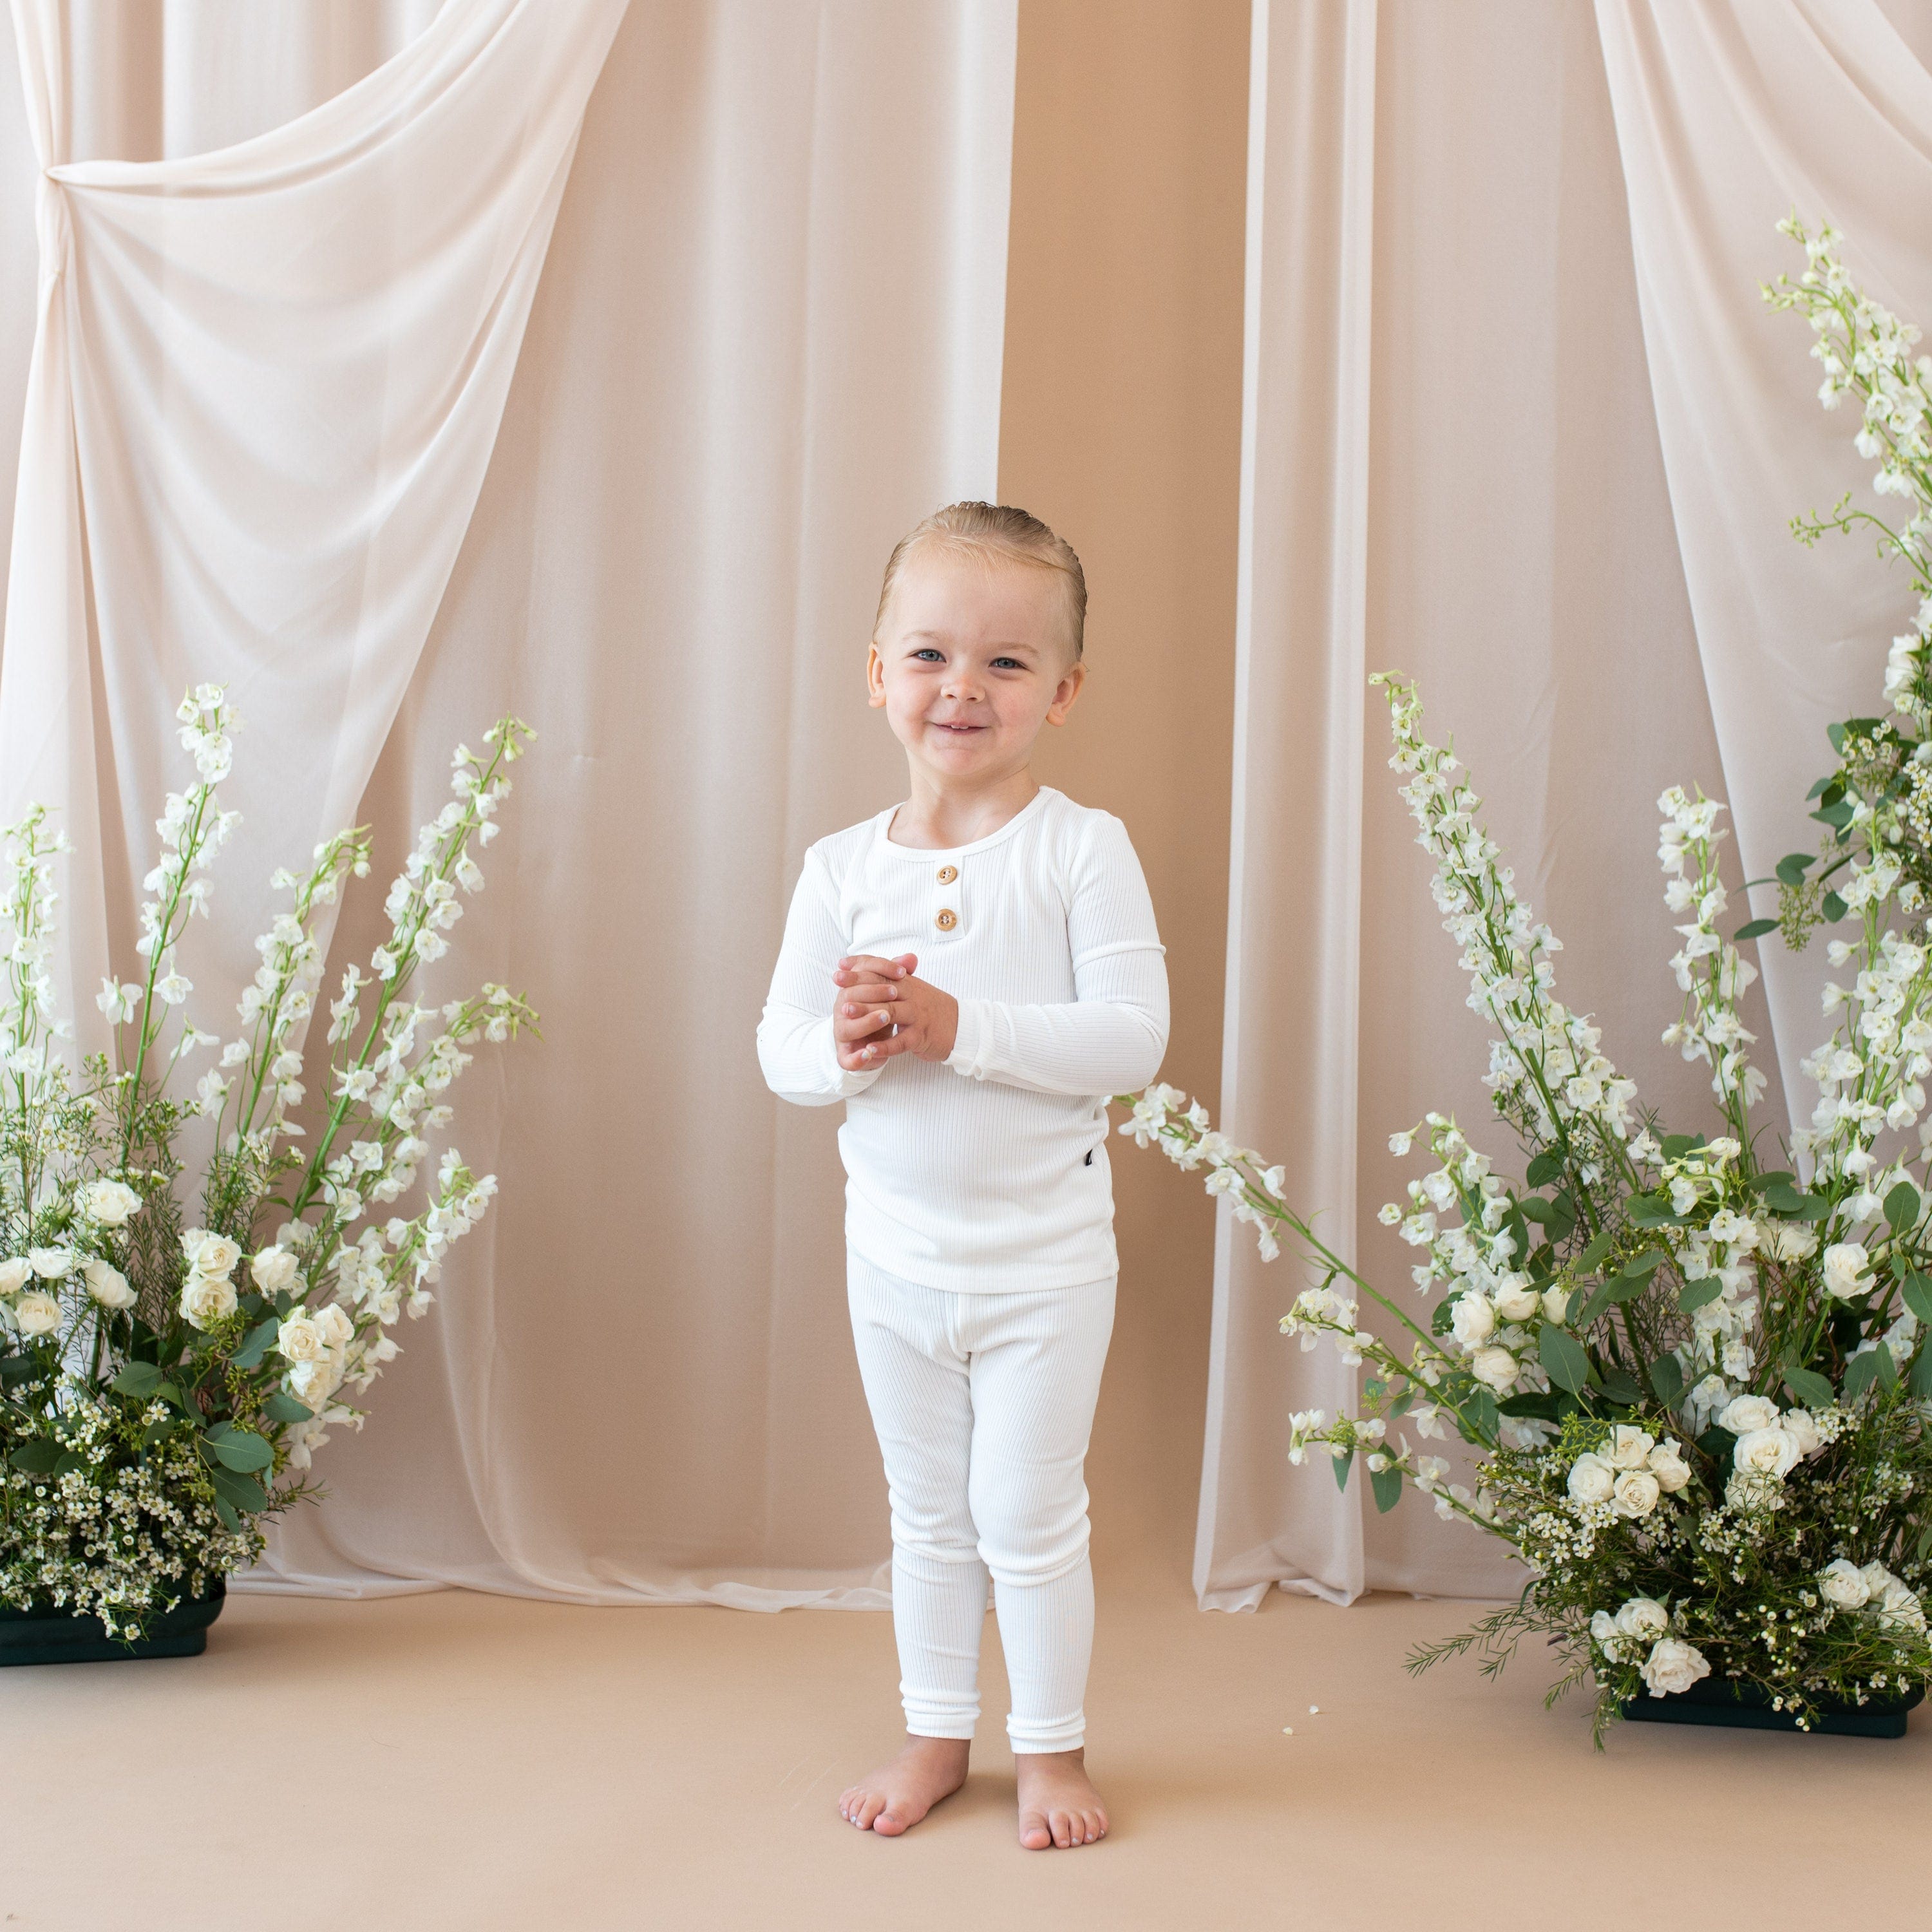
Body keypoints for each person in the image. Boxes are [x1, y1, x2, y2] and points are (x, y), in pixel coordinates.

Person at [756, 502, 1170, 1852]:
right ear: (878, 674)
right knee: (928, 1511)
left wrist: (959, 1028)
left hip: (1045, 1268)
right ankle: (938, 1732)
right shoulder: (841, 867)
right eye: (930, 655)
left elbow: (1130, 1040)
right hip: (896, 1262)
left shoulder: (1078, 850)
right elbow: (779, 1052)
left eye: (1005, 662)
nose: (962, 689)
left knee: (1026, 1511)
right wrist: (855, 1046)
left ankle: (1049, 1751)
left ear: (1064, 691)